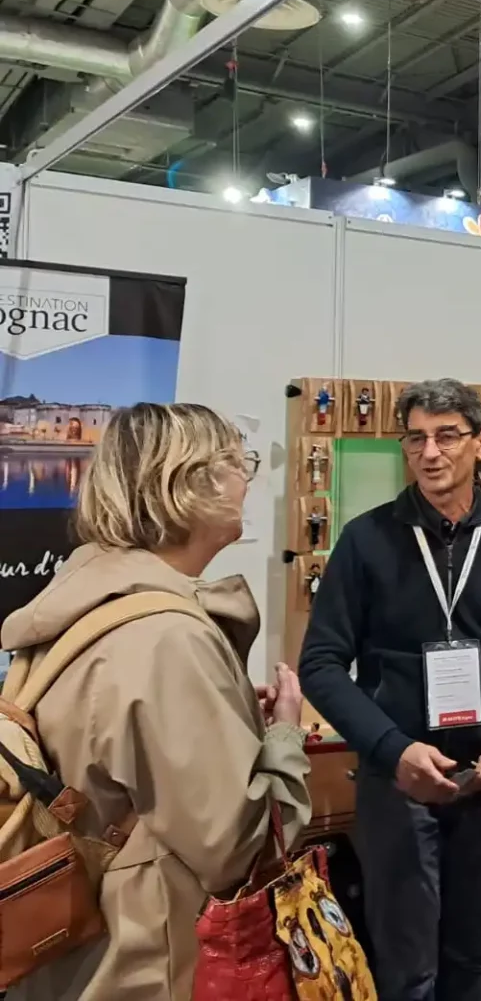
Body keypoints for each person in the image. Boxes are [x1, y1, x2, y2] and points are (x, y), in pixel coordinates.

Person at [1, 402, 311, 1000]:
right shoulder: (168, 637)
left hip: (74, 958)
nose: (247, 480)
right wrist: (283, 735)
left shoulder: (81, 601)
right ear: (191, 484)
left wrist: (222, 713)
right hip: (147, 964)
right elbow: (238, 849)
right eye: (237, 463)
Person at [298, 378, 481, 1001]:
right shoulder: (366, 540)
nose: (430, 453)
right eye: (416, 438)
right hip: (398, 783)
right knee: (406, 969)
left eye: (446, 436)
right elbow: (321, 664)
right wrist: (392, 749)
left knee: (469, 960)